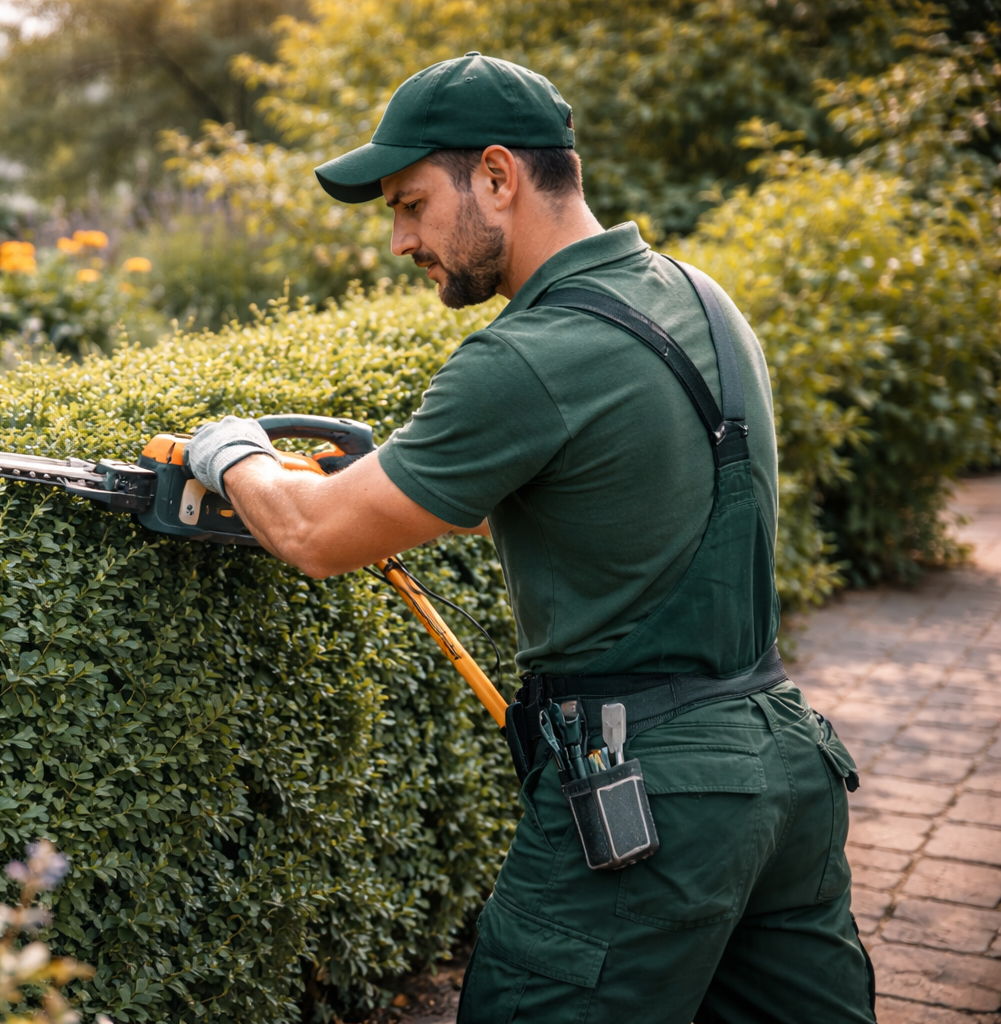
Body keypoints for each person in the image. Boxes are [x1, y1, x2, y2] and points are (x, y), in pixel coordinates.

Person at [182, 53, 876, 1024]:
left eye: (412, 203)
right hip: (785, 770)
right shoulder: (700, 298)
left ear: (498, 178)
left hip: (647, 801)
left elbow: (314, 535)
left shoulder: (530, 357)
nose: (397, 238)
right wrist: (397, 474)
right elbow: (539, 488)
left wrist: (233, 454)